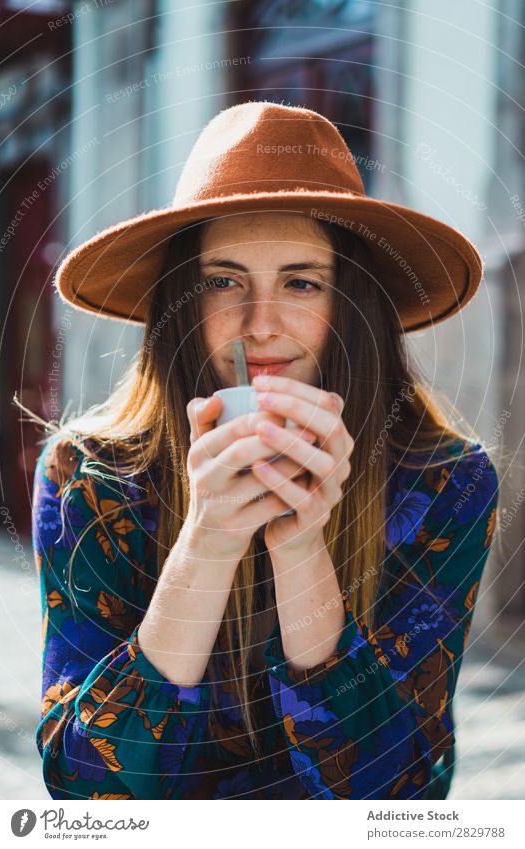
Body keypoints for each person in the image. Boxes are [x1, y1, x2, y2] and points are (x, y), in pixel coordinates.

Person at [27, 101, 500, 800]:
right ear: (181, 301)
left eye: (302, 281)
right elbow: (85, 788)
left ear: (353, 303)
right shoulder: (88, 477)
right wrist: (207, 543)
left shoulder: (443, 480)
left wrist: (301, 545)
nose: (261, 324)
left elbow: (400, 795)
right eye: (223, 280)